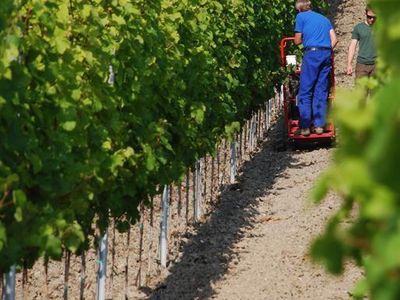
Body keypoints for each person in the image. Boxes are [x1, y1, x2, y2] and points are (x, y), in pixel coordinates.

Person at [294, 0, 338, 136]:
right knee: (321, 89)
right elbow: (335, 40)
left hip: (311, 54)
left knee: (306, 90)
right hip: (325, 54)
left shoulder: (300, 17)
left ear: (299, 8)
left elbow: (297, 40)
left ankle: (305, 127)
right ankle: (319, 126)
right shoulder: (324, 19)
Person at [346, 6, 377, 79]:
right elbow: (352, 46)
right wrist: (349, 64)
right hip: (362, 65)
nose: (372, 19)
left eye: (374, 17)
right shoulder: (359, 28)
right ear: (365, 14)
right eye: (369, 17)